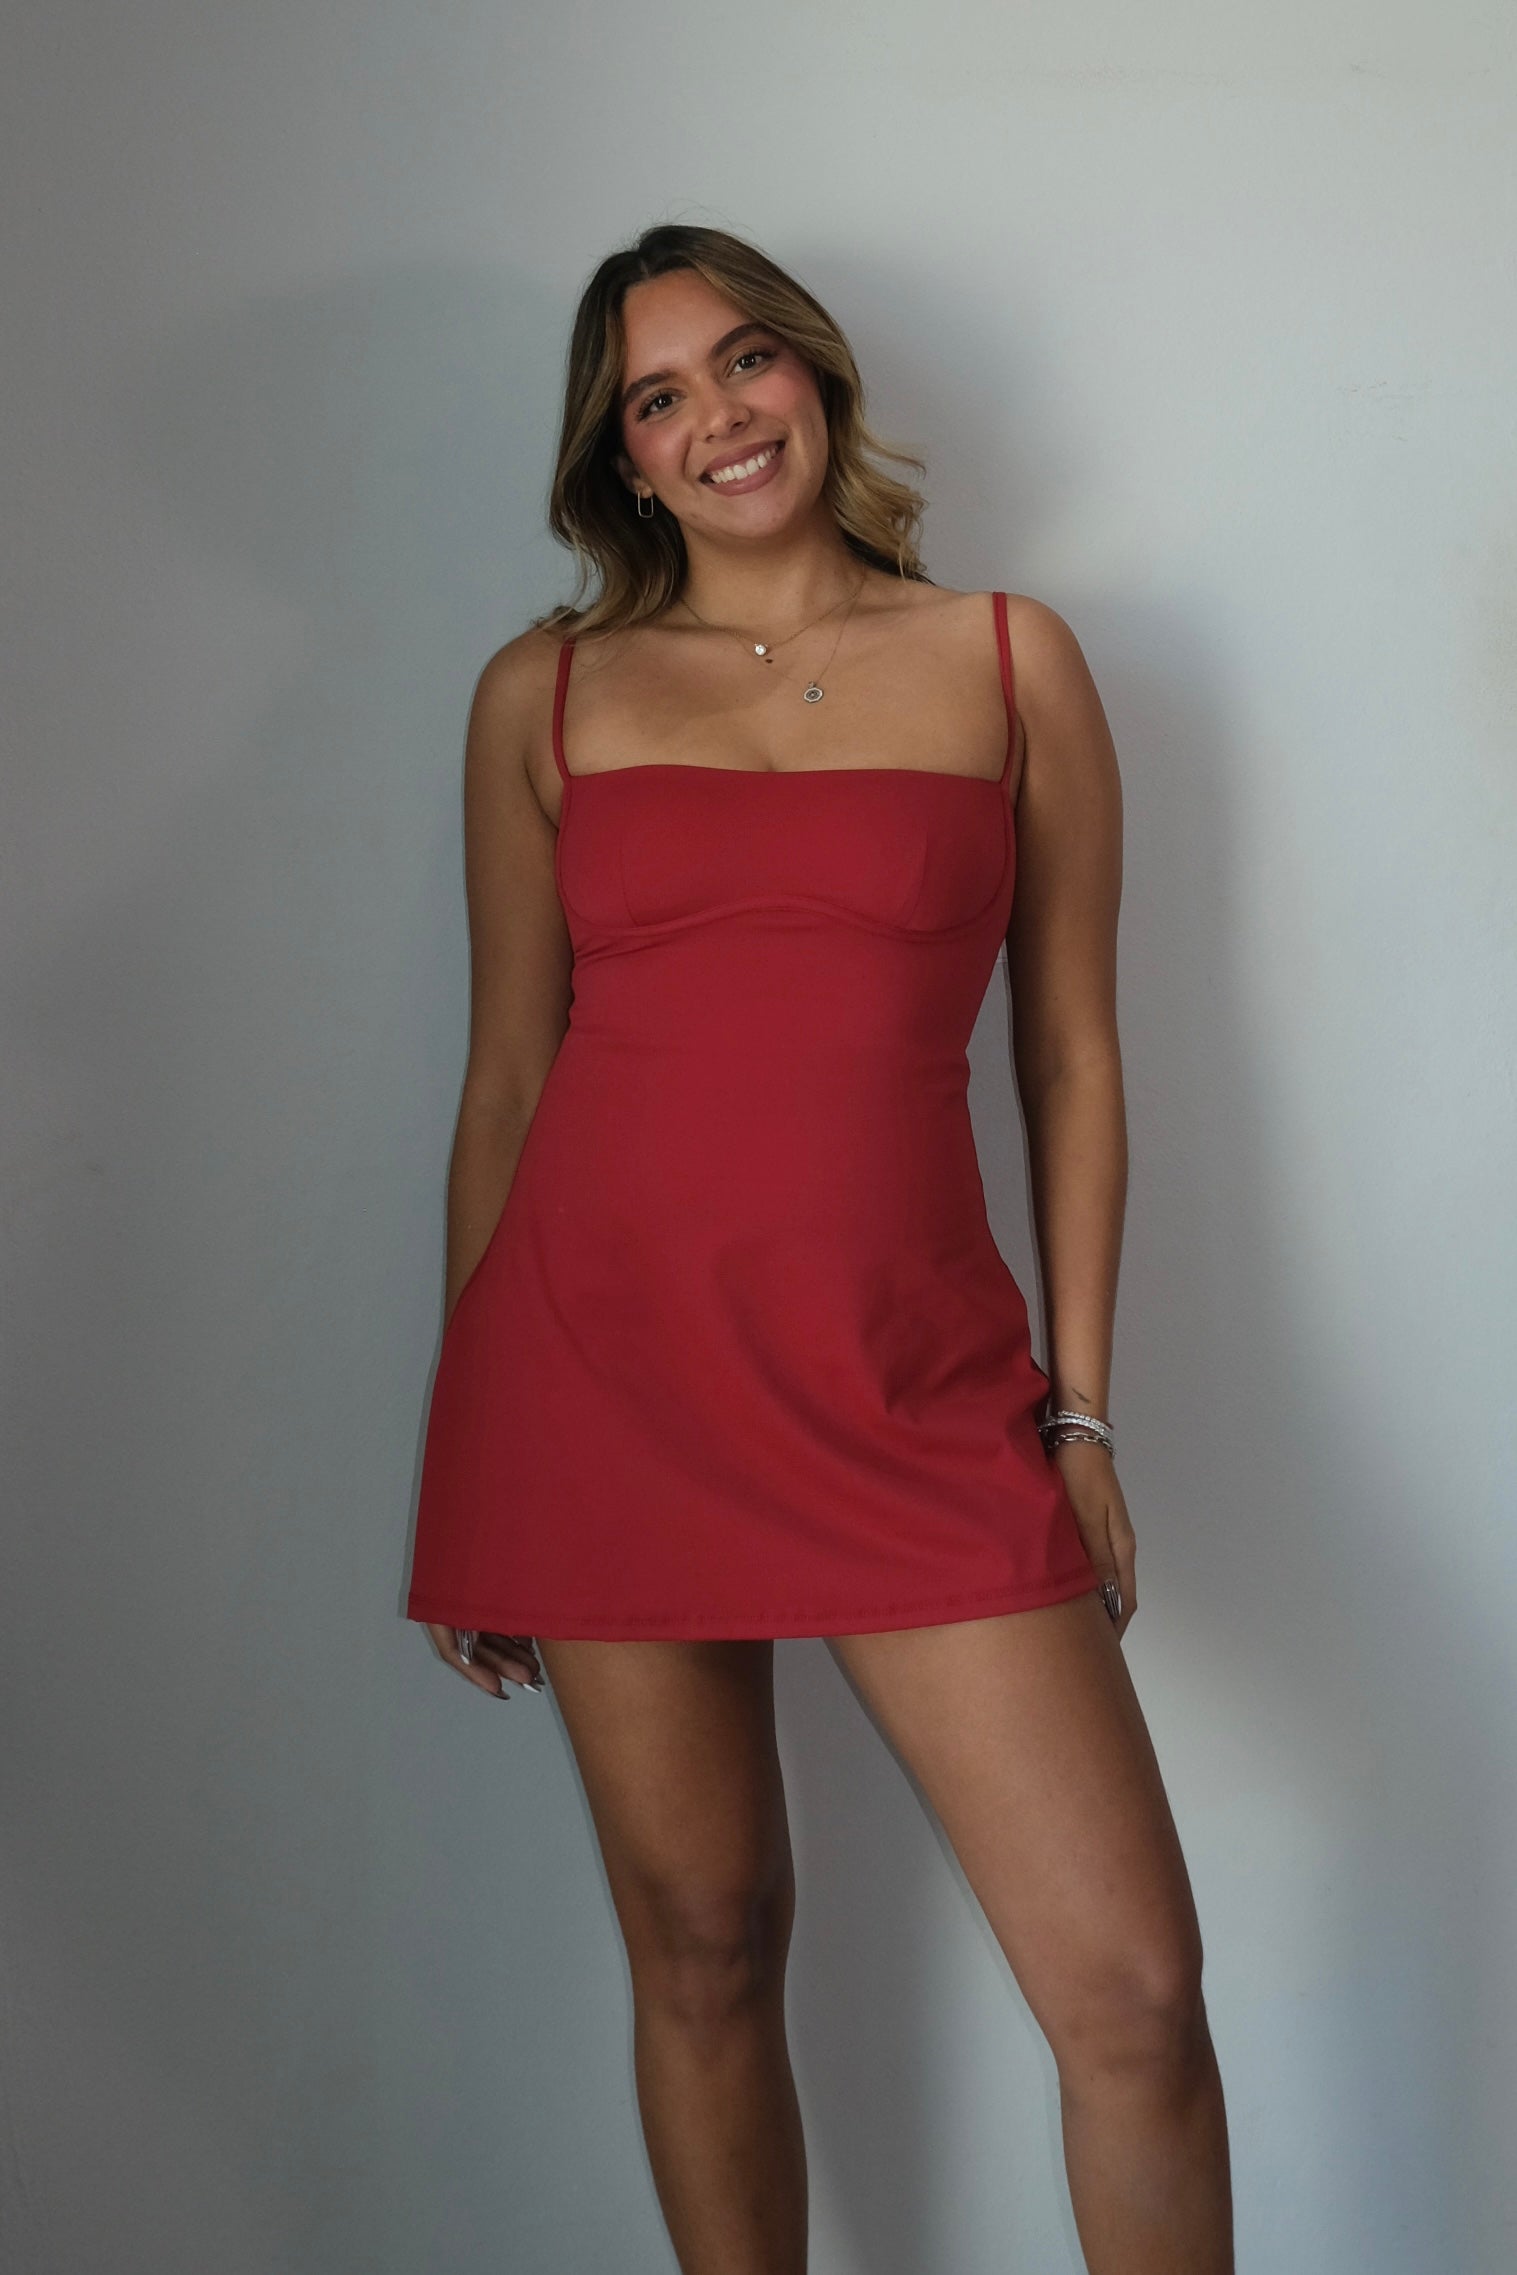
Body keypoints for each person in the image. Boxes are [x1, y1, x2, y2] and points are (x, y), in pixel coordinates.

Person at [406, 222, 1233, 2274]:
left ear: (818, 374)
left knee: (1131, 2001)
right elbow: (506, 1081)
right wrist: (465, 1454)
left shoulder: (1009, 661)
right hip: (592, 1385)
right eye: (657, 396)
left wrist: (1082, 1409)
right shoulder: (545, 693)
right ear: (618, 457)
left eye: (744, 360)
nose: (717, 415)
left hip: (909, 1383)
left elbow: (1070, 1052)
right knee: (705, 1943)